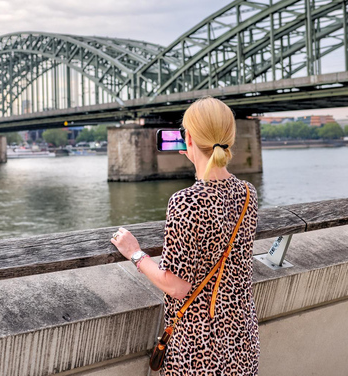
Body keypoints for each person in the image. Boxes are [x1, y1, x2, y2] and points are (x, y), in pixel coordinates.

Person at [111, 96, 260, 375]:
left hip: (200, 348)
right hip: (242, 340)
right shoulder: (248, 192)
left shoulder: (186, 202)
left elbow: (177, 286)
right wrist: (196, 154)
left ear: (188, 138)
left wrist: (135, 253)